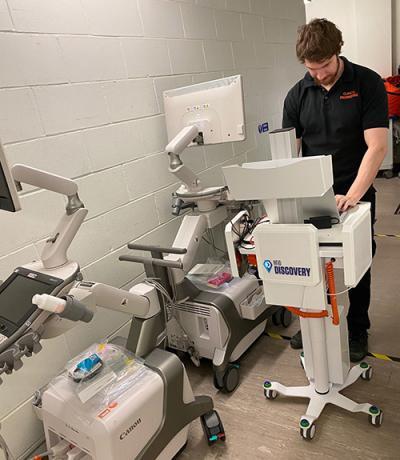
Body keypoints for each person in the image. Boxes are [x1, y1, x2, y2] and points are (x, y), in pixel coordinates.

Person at [282, 18, 388, 362]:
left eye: (324, 66)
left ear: (337, 53)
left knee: (359, 259)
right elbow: (288, 154)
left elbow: (377, 147)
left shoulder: (367, 82)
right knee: (309, 258)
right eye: (311, 68)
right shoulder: (297, 94)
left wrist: (354, 194)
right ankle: (312, 320)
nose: (319, 74)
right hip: (314, 194)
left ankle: (358, 326)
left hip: (356, 187)